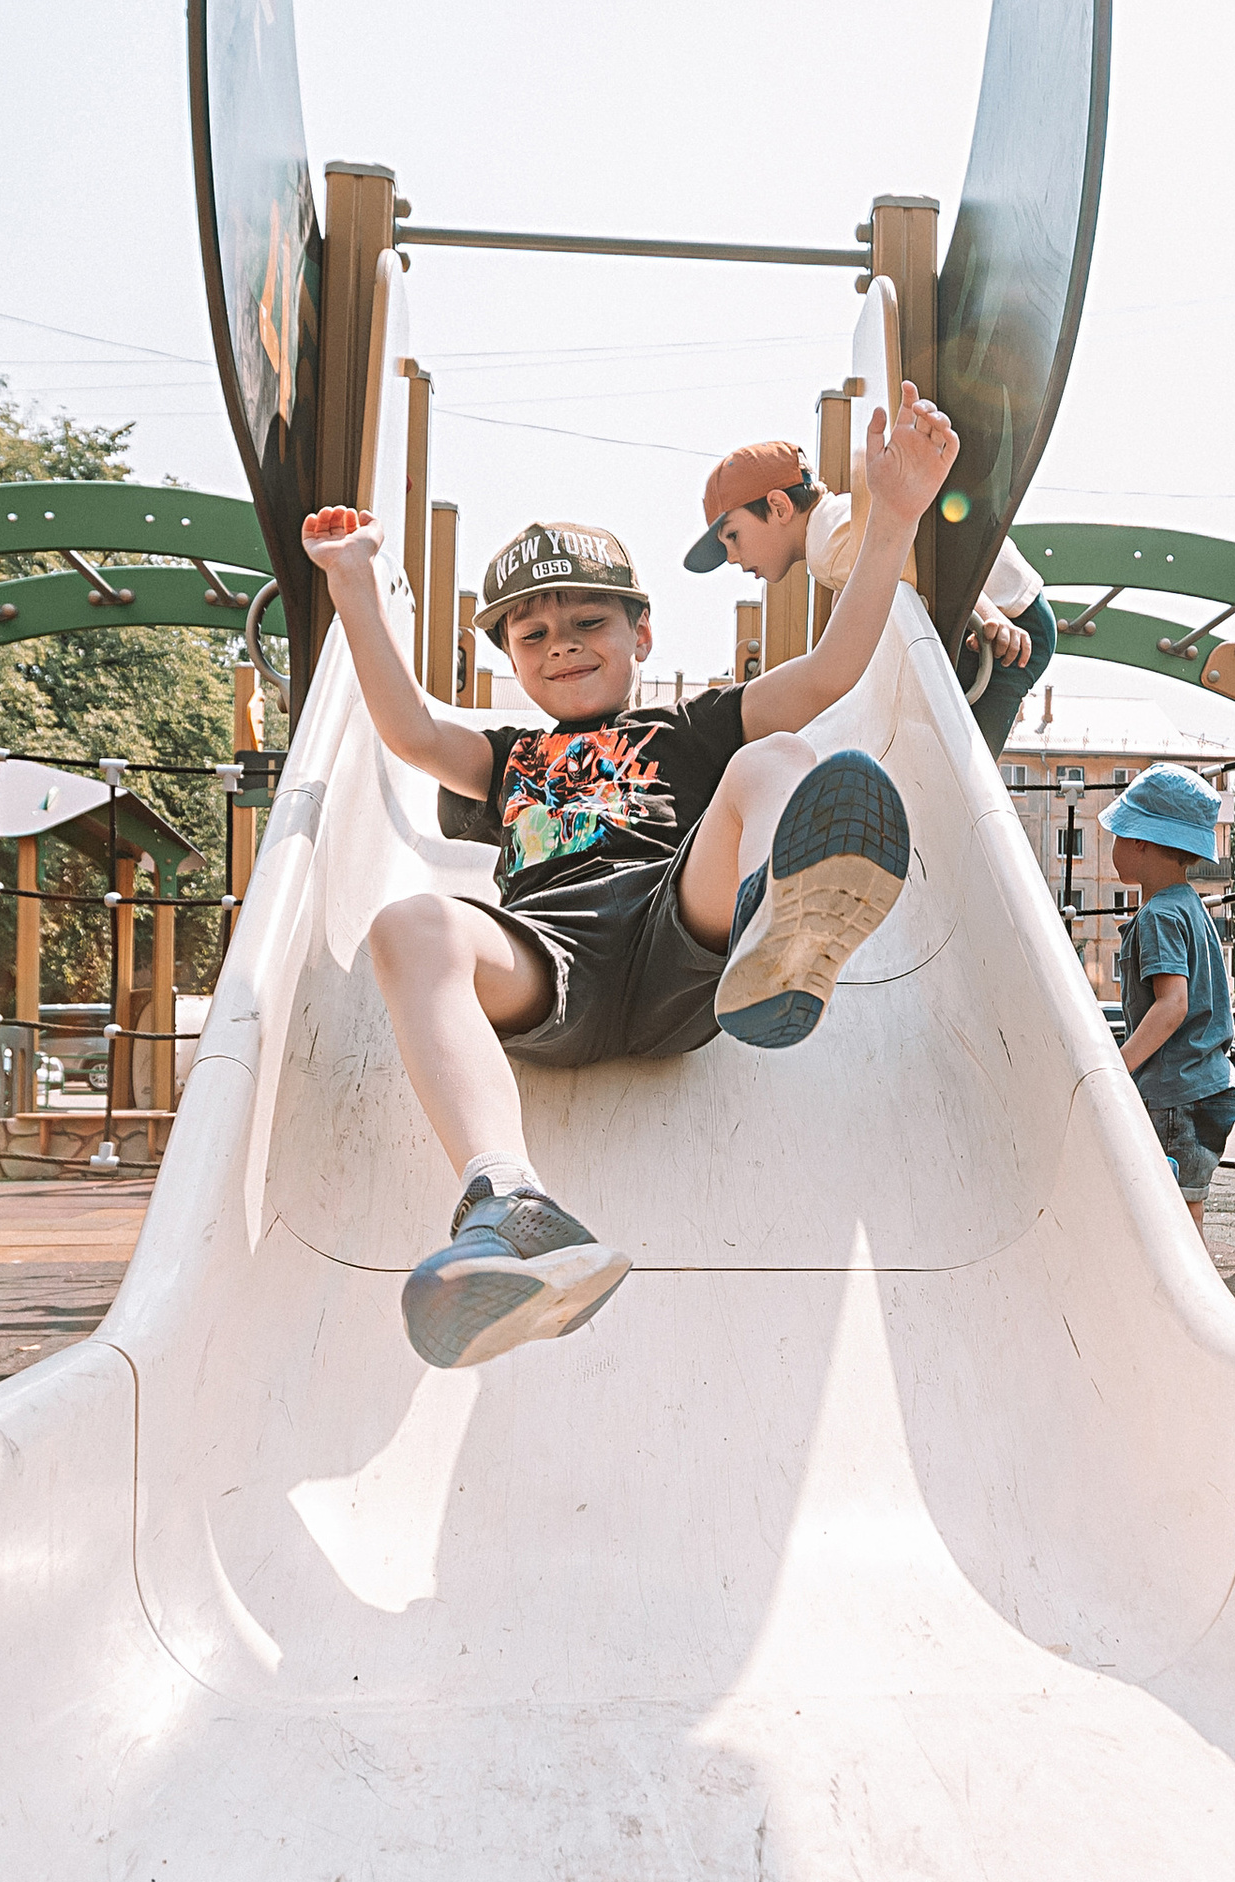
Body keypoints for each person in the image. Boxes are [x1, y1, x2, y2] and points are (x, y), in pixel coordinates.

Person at [303, 383, 960, 1371]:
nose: (562, 644)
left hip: (680, 945)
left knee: (771, 760)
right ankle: (509, 1205)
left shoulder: (685, 729)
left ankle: (782, 932)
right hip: (548, 968)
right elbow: (404, 727)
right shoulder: (506, 756)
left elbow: (830, 673)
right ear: (513, 665)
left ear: (640, 637)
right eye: (534, 636)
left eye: (588, 623)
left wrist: (896, 513)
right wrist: (353, 582)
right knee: (411, 924)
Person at [687, 438, 1057, 758]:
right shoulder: (836, 524)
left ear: (780, 507)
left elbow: (912, 560)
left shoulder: (826, 542)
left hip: (1010, 626)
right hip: (1008, 613)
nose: (732, 559)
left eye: (732, 537)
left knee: (961, 770)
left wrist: (986, 612)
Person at [1105, 764, 1235, 1223]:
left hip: (1175, 1093)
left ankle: (1185, 1296)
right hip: (1210, 1084)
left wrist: (1118, 1067)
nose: (1114, 846)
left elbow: (1172, 1004)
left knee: (1173, 1221)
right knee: (1188, 1209)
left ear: (1141, 840)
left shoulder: (1159, 915)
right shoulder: (1191, 906)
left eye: (1119, 834)